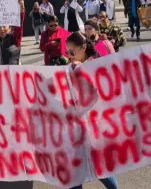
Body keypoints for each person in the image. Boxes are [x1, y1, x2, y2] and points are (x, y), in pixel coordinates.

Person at [64, 32, 120, 189]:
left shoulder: (93, 65)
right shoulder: (76, 65)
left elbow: (97, 95)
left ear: (83, 48)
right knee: (84, 168)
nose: (68, 56)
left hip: (92, 126)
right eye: (66, 52)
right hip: (79, 126)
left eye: (72, 52)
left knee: (95, 167)